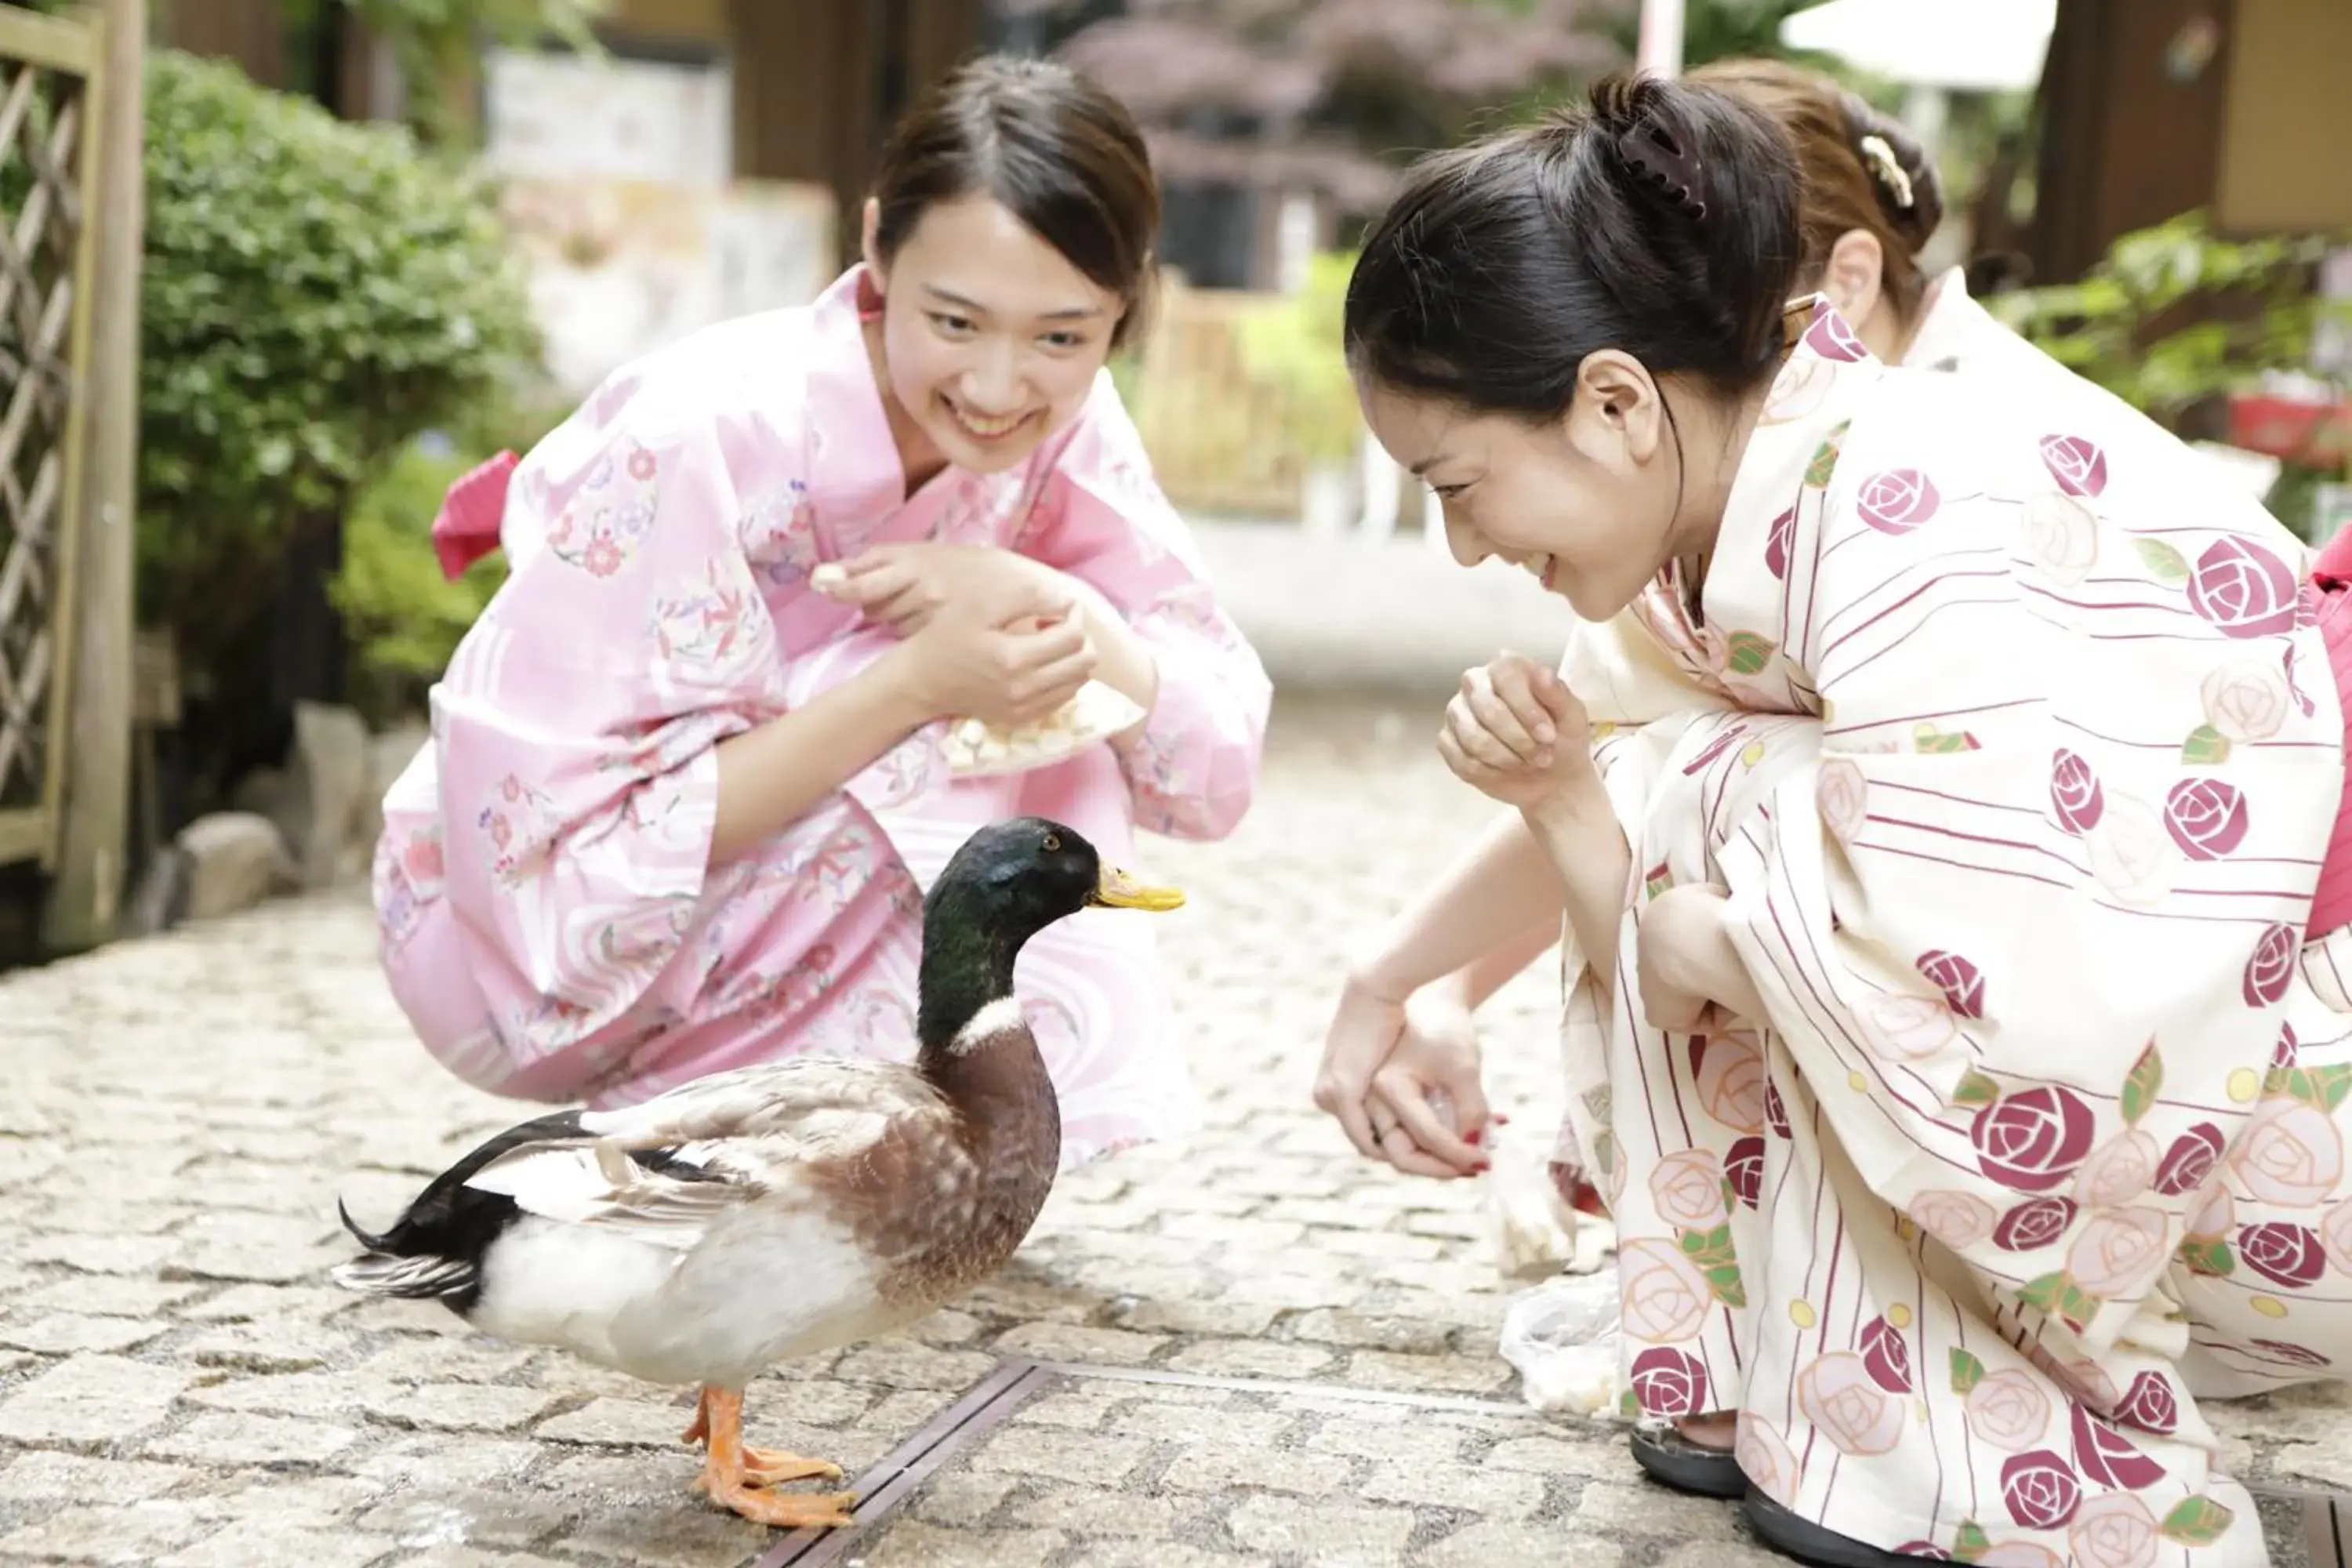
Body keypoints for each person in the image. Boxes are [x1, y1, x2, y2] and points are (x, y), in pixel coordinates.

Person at [1329, 67, 2350, 1568]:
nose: (1465, 544)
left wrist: (1699, 914)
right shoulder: (1752, 500)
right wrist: (1576, 819)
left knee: (1721, 808)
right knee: (1703, 797)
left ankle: (1980, 1444)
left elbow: (2014, 999)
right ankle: (1822, 1401)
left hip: (2289, 1089)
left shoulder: (1921, 505)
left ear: (1616, 401)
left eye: (1463, 484)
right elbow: (1688, 892)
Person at [372, 55, 1271, 1171]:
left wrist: (1056, 604)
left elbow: (1212, 764)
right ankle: (741, 1125)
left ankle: (902, 1139)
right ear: (878, 246)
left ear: (1124, 308)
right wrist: (921, 682)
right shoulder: (703, 429)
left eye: (1061, 337)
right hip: (517, 949)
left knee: (1061, 670)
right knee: (972, 702)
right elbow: (554, 855)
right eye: (955, 322)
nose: (999, 389)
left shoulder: (1070, 431)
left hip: (727, 915)